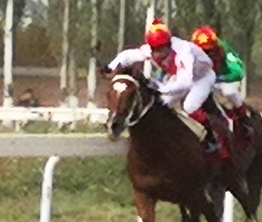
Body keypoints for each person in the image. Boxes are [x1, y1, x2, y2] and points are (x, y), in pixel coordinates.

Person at [106, 19, 222, 154]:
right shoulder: (152, 49)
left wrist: (161, 89)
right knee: (162, 104)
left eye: (160, 50)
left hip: (201, 78)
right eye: (153, 49)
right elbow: (128, 55)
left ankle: (212, 138)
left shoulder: (184, 52)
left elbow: (185, 82)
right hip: (179, 77)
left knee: (189, 106)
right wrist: (110, 67)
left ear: (169, 45)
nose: (156, 54)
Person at [190, 25, 253, 137]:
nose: (205, 54)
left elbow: (238, 71)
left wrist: (220, 78)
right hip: (203, 82)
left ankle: (244, 119)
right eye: (202, 51)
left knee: (228, 92)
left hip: (224, 78)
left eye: (209, 51)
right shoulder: (188, 52)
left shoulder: (224, 50)